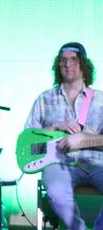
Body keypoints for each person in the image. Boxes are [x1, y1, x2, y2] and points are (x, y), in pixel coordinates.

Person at [25, 42, 103, 230]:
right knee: (56, 191)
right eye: (63, 60)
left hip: (98, 163)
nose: (67, 64)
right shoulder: (44, 99)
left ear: (83, 64)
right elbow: (28, 143)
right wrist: (55, 127)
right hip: (59, 164)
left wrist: (82, 139)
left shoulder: (100, 100)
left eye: (73, 59)